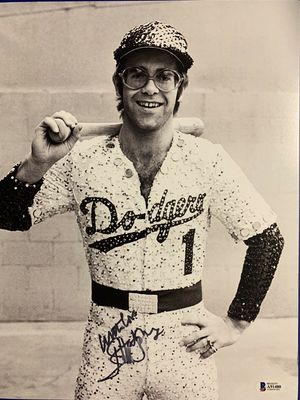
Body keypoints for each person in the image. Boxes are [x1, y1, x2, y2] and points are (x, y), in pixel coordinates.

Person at [0, 21, 284, 400]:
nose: (150, 87)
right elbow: (7, 215)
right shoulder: (80, 161)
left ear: (179, 87)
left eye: (164, 76)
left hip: (184, 340)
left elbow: (268, 238)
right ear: (120, 84)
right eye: (137, 74)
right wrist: (35, 166)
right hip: (107, 337)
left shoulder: (207, 159)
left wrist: (236, 322)